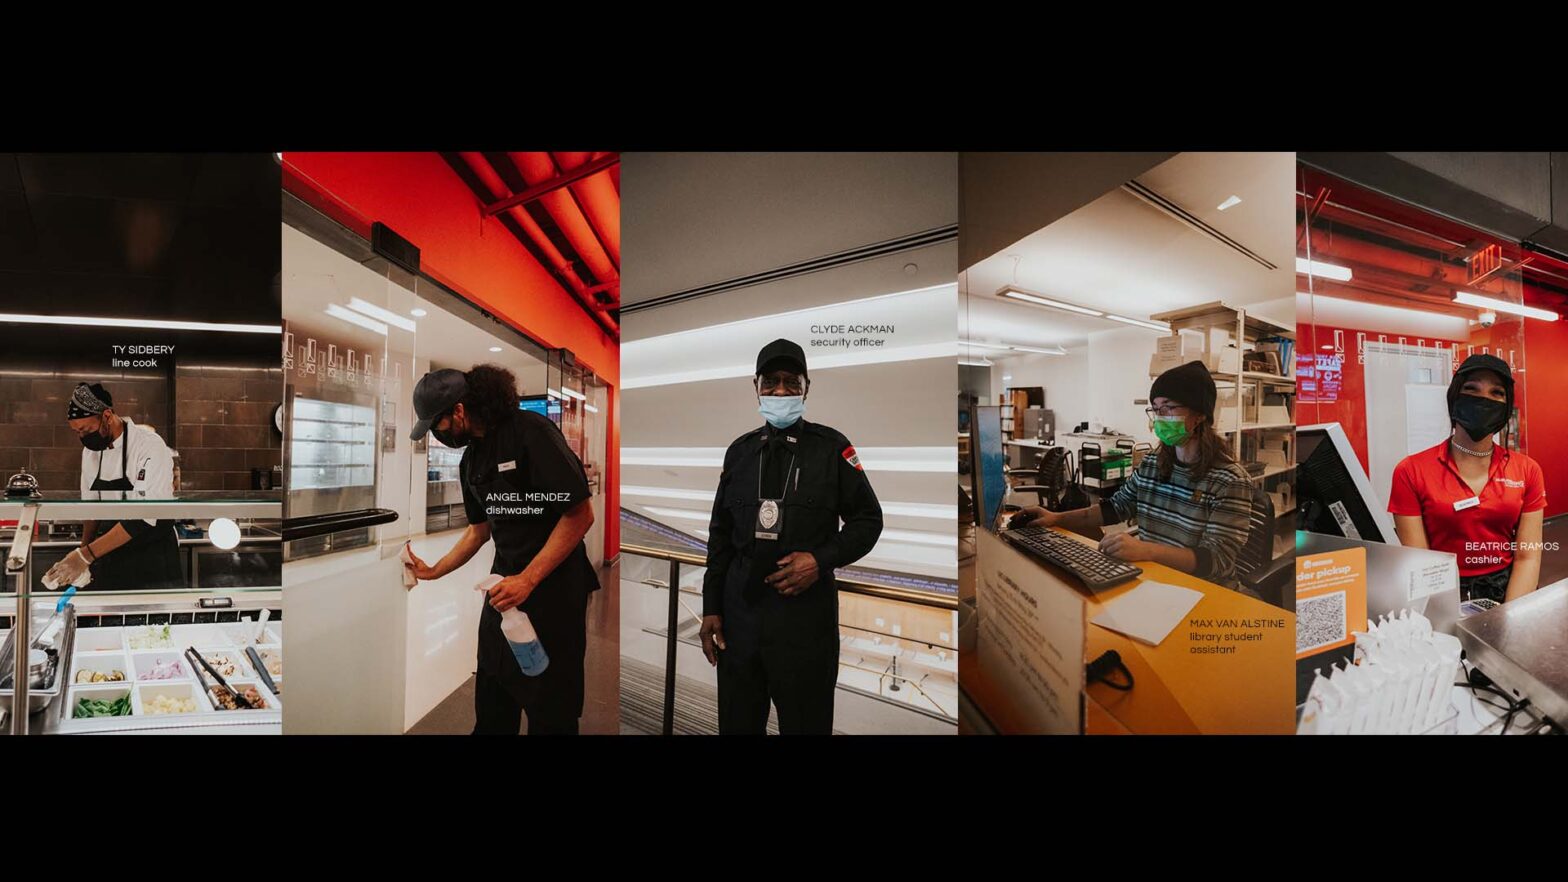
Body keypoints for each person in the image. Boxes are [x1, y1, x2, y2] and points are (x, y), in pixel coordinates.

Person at [699, 339, 884, 735]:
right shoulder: (739, 453)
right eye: (771, 382)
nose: (780, 391)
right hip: (739, 620)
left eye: (790, 382)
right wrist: (711, 605)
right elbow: (720, 537)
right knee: (737, 725)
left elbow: (868, 520)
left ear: (805, 388)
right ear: (756, 387)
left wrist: (820, 560)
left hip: (804, 628)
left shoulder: (833, 449)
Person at [403, 365, 598, 735]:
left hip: (553, 590)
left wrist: (528, 579)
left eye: (437, 425)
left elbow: (579, 515)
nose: (438, 435)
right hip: (504, 590)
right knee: (493, 693)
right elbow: (479, 531)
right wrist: (434, 569)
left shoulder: (532, 434)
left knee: (550, 704)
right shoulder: (470, 459)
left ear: (458, 411)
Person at [1010, 360, 1255, 590]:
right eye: (1156, 410)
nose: (1160, 418)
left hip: (1206, 592)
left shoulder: (1230, 480)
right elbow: (1115, 508)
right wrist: (1055, 518)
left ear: (1200, 414)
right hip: (1156, 582)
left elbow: (1216, 560)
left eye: (1169, 407)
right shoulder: (1152, 465)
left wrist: (1146, 551)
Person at [1388, 354, 1544, 603]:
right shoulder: (1410, 471)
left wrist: (1509, 617)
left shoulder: (1527, 470)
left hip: (1508, 589)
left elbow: (1528, 556)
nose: (1484, 400)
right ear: (1455, 397)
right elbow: (1420, 562)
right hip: (1441, 591)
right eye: (1472, 388)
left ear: (1506, 408)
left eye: (1497, 393)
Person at [42, 382, 183, 591]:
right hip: (110, 551)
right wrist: (82, 558)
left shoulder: (149, 445)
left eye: (86, 429)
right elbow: (91, 508)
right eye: (77, 432)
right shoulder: (91, 451)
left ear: (107, 416)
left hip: (151, 554)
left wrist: (84, 555)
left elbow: (143, 517)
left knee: (156, 623)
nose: (82, 437)